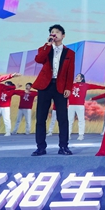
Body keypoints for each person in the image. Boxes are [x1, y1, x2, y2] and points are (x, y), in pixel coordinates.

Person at [31, 24, 75, 156]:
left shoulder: (70, 53)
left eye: (57, 32)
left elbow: (70, 72)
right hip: (45, 86)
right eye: (52, 32)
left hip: (60, 87)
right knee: (41, 118)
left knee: (63, 118)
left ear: (63, 35)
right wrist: (48, 45)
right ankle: (40, 147)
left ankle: (63, 146)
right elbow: (39, 59)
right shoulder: (44, 48)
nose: (54, 34)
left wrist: (68, 88)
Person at [68, 73, 105, 140]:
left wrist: (103, 87)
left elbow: (95, 86)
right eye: (76, 76)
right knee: (69, 120)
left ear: (82, 78)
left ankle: (81, 135)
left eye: (78, 76)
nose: (76, 77)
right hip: (71, 105)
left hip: (80, 105)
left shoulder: (85, 85)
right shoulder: (71, 85)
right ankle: (68, 134)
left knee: (81, 120)